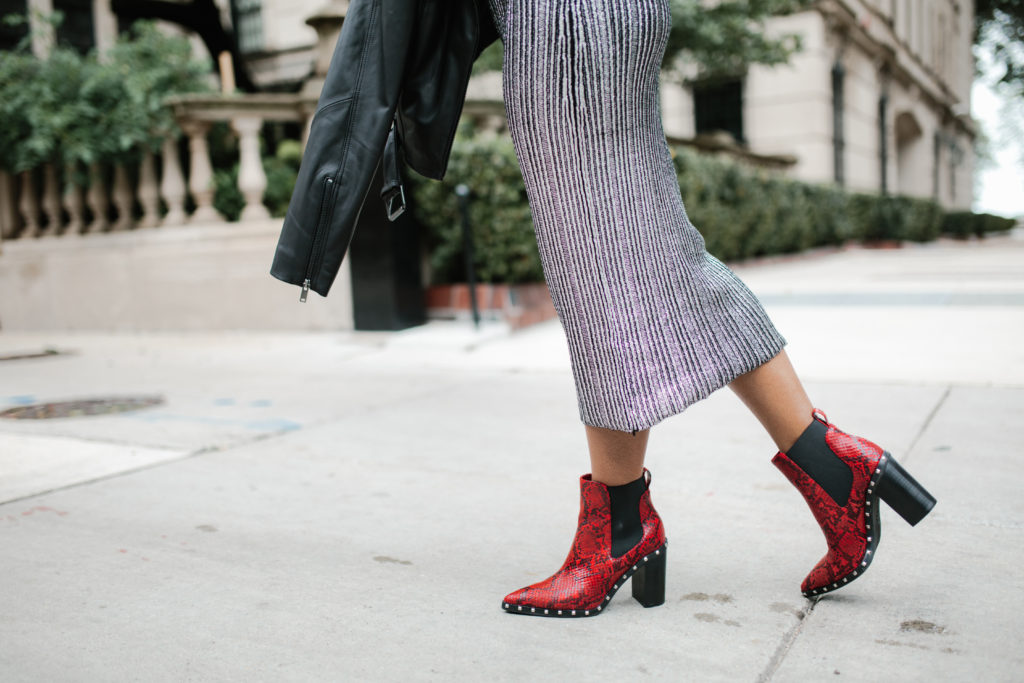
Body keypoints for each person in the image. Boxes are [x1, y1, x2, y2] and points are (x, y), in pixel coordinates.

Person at [486, 0, 937, 618]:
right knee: (636, 251)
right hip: (588, 18)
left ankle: (620, 531)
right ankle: (830, 466)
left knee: (595, 261)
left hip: (565, 18)